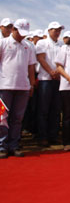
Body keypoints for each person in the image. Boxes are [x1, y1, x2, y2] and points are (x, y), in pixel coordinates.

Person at [0, 19, 36, 158]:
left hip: (23, 87)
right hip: (4, 86)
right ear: (14, 29)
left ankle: (14, 145)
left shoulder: (29, 46)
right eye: (20, 33)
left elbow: (31, 66)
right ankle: (2, 146)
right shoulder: (3, 43)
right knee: (2, 117)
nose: (23, 36)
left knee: (18, 118)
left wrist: (32, 84)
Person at [35, 21, 64, 147]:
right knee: (43, 109)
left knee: (56, 109)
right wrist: (51, 72)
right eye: (55, 30)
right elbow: (40, 58)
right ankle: (42, 136)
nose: (57, 32)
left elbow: (63, 61)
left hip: (58, 79)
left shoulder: (62, 45)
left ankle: (53, 135)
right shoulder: (42, 43)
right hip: (45, 79)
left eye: (59, 30)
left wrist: (57, 72)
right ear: (49, 30)